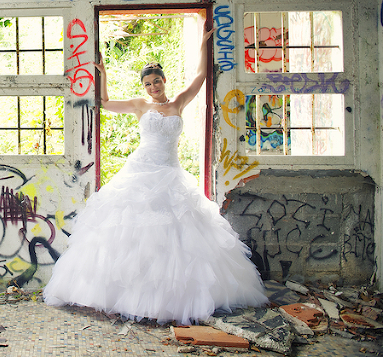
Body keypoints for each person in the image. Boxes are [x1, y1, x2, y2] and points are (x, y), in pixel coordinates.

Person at [43, 23, 268, 325]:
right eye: (148, 84)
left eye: (156, 82)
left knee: (177, 234)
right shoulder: (140, 105)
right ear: (144, 87)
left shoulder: (178, 103)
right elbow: (104, 103)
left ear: (164, 80)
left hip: (171, 173)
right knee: (132, 232)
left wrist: (204, 44)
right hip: (141, 171)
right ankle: (130, 294)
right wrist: (103, 74)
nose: (153, 87)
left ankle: (170, 298)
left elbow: (201, 77)